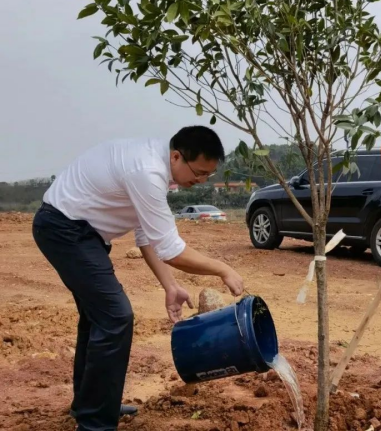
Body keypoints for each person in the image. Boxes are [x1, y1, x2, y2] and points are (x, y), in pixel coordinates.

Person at [32, 126, 244, 431]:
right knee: (116, 317)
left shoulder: (157, 167)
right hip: (64, 230)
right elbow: (171, 249)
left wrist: (170, 286)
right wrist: (222, 268)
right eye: (198, 172)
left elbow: (146, 235)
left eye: (207, 176)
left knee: (98, 318)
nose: (200, 181)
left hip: (81, 233)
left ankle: (92, 405)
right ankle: (96, 424)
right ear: (176, 156)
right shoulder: (146, 170)